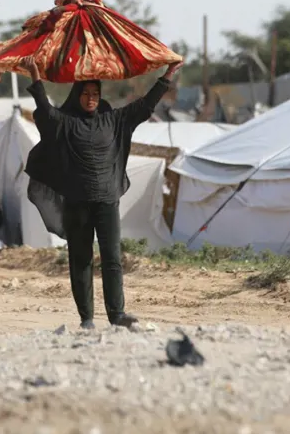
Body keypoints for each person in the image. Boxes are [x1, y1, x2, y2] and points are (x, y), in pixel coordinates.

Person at [21, 56, 182, 330]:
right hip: (77, 203)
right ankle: (86, 318)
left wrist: (167, 76)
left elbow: (144, 106)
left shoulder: (114, 120)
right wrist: (35, 77)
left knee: (112, 258)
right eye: (85, 94)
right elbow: (46, 113)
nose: (91, 98)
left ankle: (117, 314)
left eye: (95, 94)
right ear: (77, 95)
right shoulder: (66, 122)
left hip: (107, 201)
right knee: (81, 259)